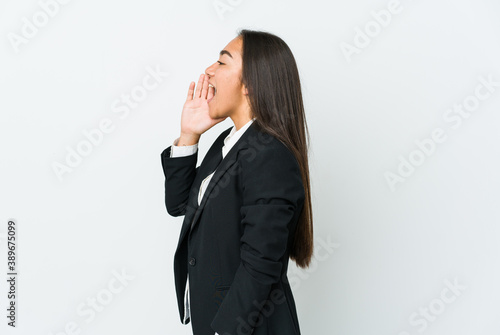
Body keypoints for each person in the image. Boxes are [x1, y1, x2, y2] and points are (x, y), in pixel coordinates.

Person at [160, 29, 313, 335]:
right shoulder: (227, 145)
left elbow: (260, 264)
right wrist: (189, 134)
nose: (209, 71)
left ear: (250, 84)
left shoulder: (270, 155)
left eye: (222, 62)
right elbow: (180, 205)